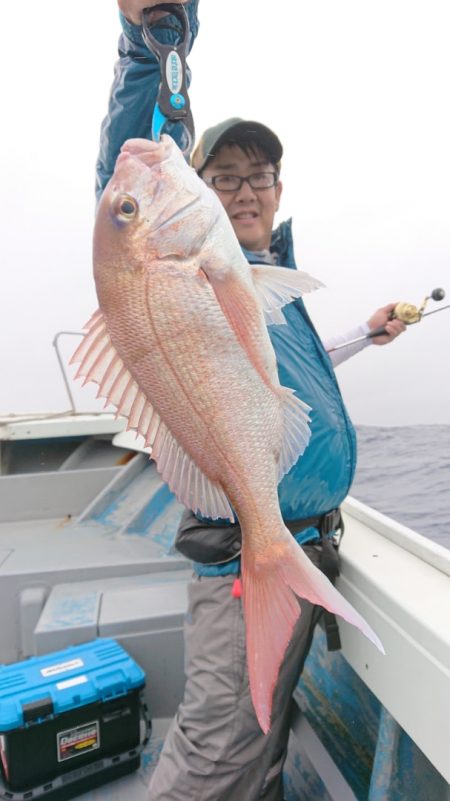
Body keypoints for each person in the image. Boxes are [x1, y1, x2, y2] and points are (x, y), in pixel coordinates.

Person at [96, 3, 406, 800]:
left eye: (259, 175)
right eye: (222, 175)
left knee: (260, 745)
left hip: (295, 545)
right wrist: (150, 39)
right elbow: (121, 188)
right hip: (247, 561)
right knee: (214, 757)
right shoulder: (179, 265)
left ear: (280, 188)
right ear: (195, 183)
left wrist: (365, 336)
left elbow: (291, 376)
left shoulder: (265, 280)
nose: (245, 189)